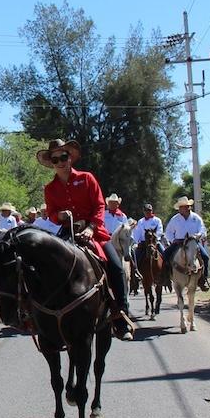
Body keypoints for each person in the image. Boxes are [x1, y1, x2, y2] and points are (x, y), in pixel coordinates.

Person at [38, 139, 133, 340]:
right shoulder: (50, 188)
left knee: (116, 267)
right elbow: (52, 213)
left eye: (63, 157)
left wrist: (91, 228)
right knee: (47, 267)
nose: (60, 162)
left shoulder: (87, 178)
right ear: (52, 163)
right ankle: (46, 316)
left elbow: (99, 206)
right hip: (67, 232)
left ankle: (120, 316)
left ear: (70, 157)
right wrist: (59, 216)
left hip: (95, 233)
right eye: (55, 159)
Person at [162, 196, 210, 291]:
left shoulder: (196, 218)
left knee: (205, 257)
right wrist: (173, 240)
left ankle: (203, 279)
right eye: (180, 207)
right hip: (178, 243)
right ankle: (166, 277)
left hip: (193, 242)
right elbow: (168, 232)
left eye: (183, 207)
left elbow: (203, 229)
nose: (181, 209)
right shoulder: (175, 219)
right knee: (165, 255)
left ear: (188, 207)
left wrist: (198, 235)